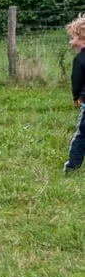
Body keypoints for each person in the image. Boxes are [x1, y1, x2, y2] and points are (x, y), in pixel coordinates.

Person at [64, 15, 85, 173]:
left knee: (81, 136)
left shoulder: (79, 59)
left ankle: (72, 167)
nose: (71, 42)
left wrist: (76, 97)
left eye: (72, 38)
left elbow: (76, 81)